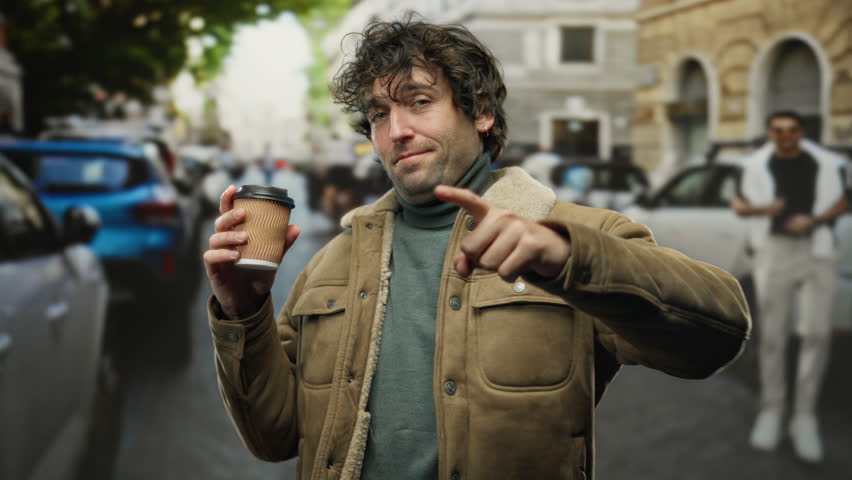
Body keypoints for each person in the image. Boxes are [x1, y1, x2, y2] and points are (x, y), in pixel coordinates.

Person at [204, 18, 750, 480]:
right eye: (379, 114)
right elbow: (275, 437)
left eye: (419, 102)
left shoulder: (570, 234)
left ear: (481, 111)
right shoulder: (333, 261)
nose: (397, 131)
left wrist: (567, 258)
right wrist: (243, 312)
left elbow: (716, 336)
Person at [732, 111, 848, 463]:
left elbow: (845, 200)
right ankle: (772, 410)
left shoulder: (827, 163)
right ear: (770, 132)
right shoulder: (754, 166)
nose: (785, 135)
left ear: (801, 132)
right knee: (773, 336)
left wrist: (815, 219)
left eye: (792, 130)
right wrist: (766, 209)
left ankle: (804, 417)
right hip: (775, 250)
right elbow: (739, 204)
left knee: (816, 335)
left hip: (817, 250)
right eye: (778, 130)